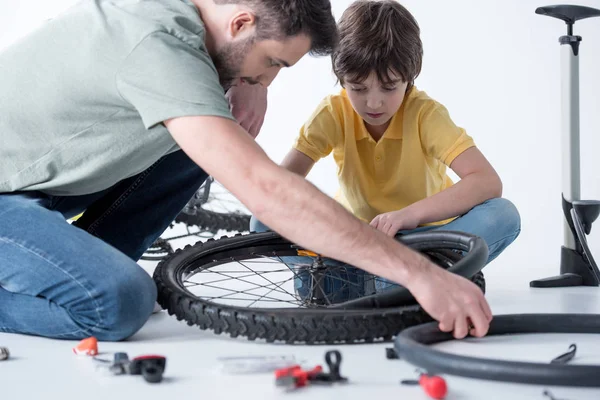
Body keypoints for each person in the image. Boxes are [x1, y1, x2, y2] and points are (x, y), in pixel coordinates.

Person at [0, 0, 492, 343]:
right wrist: (419, 274)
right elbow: (265, 188)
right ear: (239, 24)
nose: (271, 78)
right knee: (120, 302)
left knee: (212, 134)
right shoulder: (156, 45)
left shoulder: (193, 17)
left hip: (39, 183)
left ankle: (82, 260)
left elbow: (243, 43)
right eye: (274, 62)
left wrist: (247, 74)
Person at [251, 0, 521, 304]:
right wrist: (332, 230)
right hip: (358, 249)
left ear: (409, 77)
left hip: (426, 242)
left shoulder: (425, 114)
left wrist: (409, 216)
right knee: (260, 219)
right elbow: (279, 185)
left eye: (389, 87)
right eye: (359, 88)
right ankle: (362, 280)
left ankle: (399, 278)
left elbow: (486, 181)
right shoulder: (332, 113)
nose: (374, 103)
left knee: (504, 214)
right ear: (341, 79)